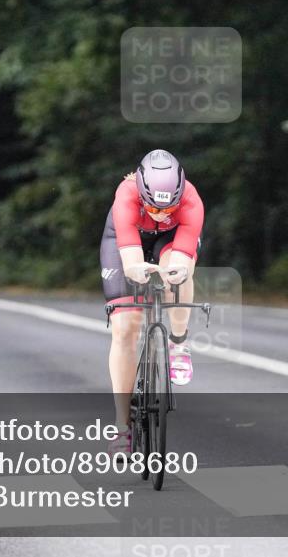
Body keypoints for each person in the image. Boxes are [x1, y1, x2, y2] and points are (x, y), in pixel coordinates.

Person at [99, 149, 204, 455]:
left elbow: (183, 260)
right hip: (125, 237)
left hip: (170, 240)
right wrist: (137, 269)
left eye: (168, 207)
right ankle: (122, 425)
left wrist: (175, 271)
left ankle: (178, 343)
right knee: (125, 327)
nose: (160, 213)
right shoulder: (127, 194)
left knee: (178, 275)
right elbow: (131, 262)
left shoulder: (191, 200)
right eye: (153, 206)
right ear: (142, 192)